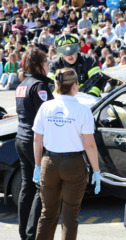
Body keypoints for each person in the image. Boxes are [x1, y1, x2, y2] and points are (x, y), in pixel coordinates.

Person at [32, 67, 100, 240]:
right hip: (74, 164)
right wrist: (96, 170)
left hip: (49, 162)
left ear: (56, 85)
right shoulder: (83, 110)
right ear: (75, 86)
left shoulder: (46, 107)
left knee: (47, 213)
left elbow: (37, 140)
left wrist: (38, 165)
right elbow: (89, 144)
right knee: (70, 216)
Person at [15, 48, 54, 240]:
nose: (48, 66)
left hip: (21, 139)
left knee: (27, 187)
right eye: (46, 63)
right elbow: (48, 115)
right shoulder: (40, 86)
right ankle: (32, 235)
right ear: (39, 65)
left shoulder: (22, 85)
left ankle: (24, 233)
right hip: (35, 142)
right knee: (41, 188)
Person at [49, 33, 104, 97]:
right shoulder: (55, 65)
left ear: (77, 48)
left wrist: (91, 95)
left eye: (72, 49)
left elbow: (98, 79)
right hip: (65, 101)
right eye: (65, 51)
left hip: (89, 99)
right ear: (60, 52)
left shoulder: (88, 60)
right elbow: (50, 85)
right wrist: (61, 98)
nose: (69, 55)